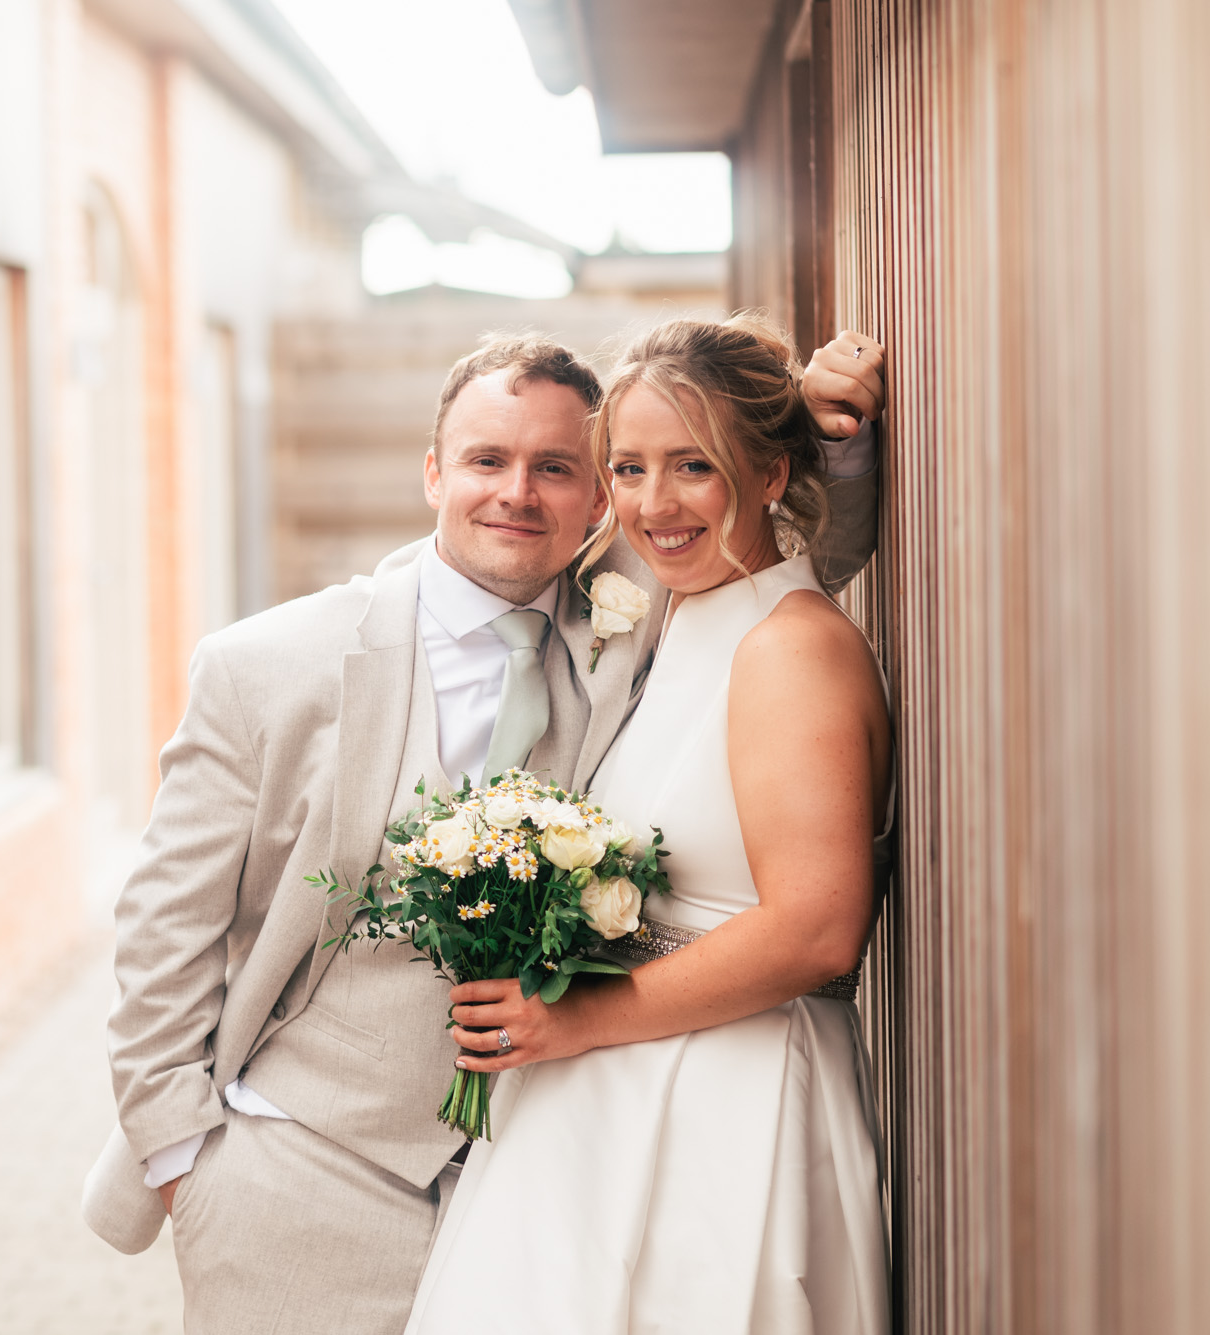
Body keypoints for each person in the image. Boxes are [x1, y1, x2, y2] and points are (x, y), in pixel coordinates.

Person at [83, 323, 889, 1334]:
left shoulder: (631, 615)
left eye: (555, 467)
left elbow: (774, 565)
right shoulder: (268, 666)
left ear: (592, 499)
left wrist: (833, 442)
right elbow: (163, 928)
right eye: (485, 461)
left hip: (541, 1174)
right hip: (302, 1178)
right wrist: (181, 1161)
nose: (516, 493)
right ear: (432, 473)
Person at [406, 314, 893, 1334]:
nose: (651, 505)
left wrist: (568, 1021)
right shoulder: (673, 610)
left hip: (728, 1105)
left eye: (693, 467)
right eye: (626, 469)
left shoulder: (789, 648)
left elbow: (816, 928)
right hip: (618, 1097)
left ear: (763, 473)